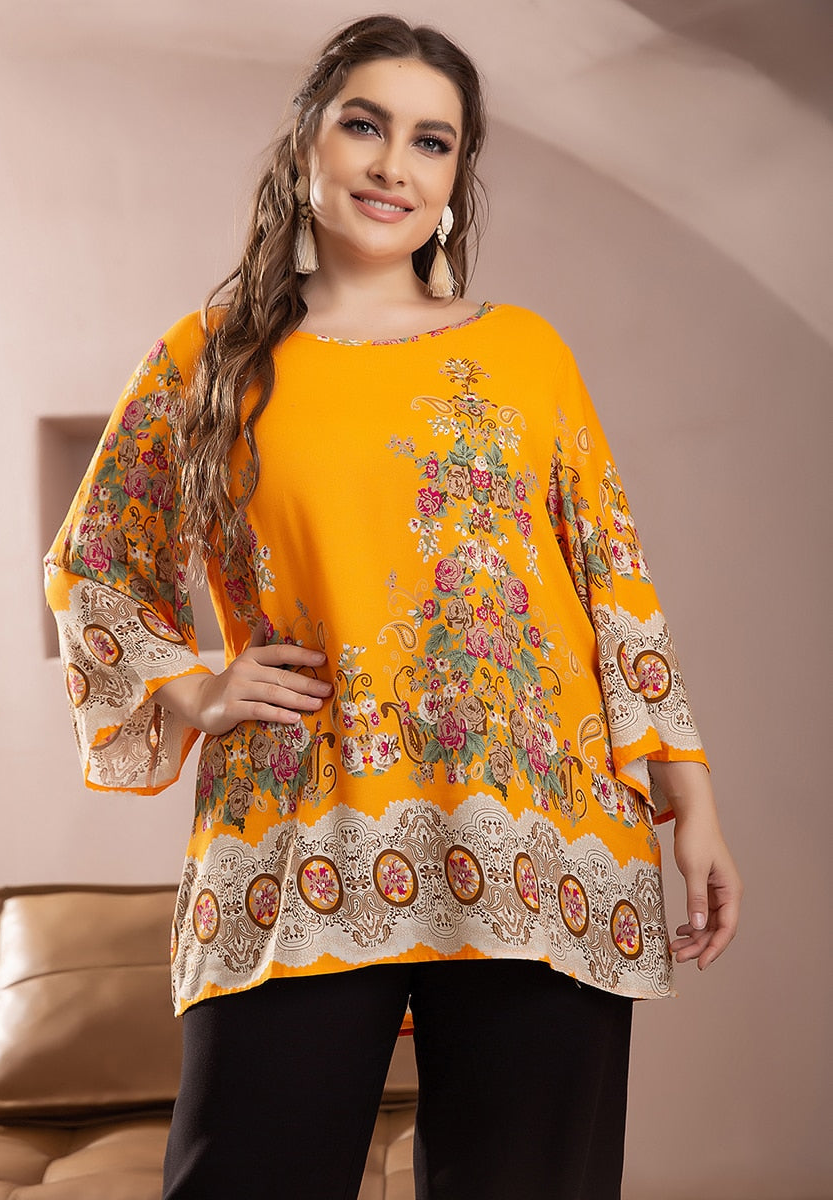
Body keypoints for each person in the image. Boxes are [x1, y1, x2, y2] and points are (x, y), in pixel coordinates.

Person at [45, 15, 742, 1200]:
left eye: (432, 142)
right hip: (303, 824)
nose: (393, 166)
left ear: (456, 181)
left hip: (539, 836)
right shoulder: (209, 359)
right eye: (364, 126)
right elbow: (94, 561)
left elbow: (611, 576)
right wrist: (195, 687)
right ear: (304, 146)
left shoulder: (524, 353)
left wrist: (695, 803)